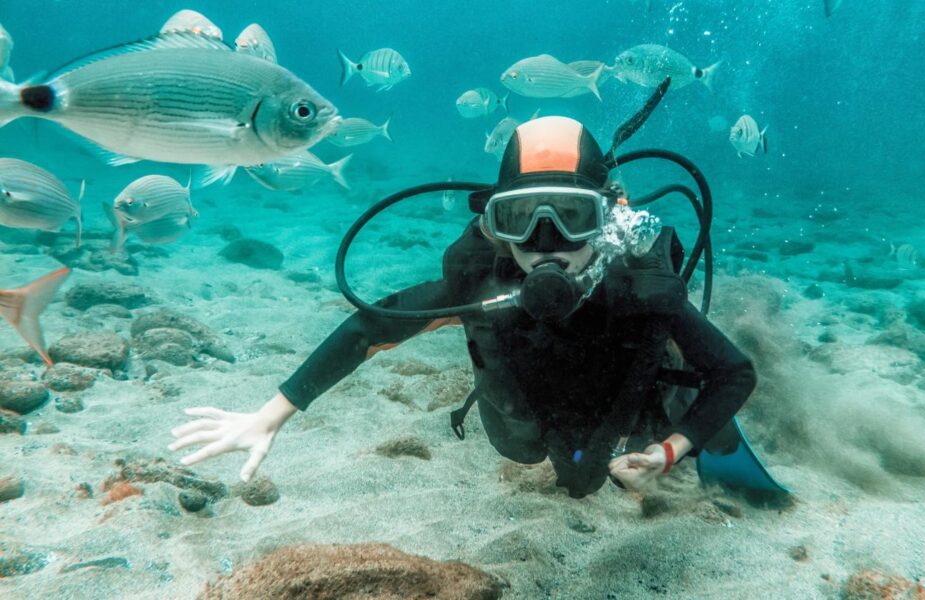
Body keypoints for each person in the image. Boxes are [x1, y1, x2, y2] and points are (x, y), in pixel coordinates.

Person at [169, 116, 771, 499]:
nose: (546, 243)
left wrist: (674, 448)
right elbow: (369, 327)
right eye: (521, 220)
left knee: (629, 438)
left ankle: (675, 413)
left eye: (573, 218)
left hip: (631, 403)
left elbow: (734, 371)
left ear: (607, 219)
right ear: (494, 224)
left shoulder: (639, 285)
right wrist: (269, 415)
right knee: (541, 457)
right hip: (534, 409)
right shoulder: (483, 282)